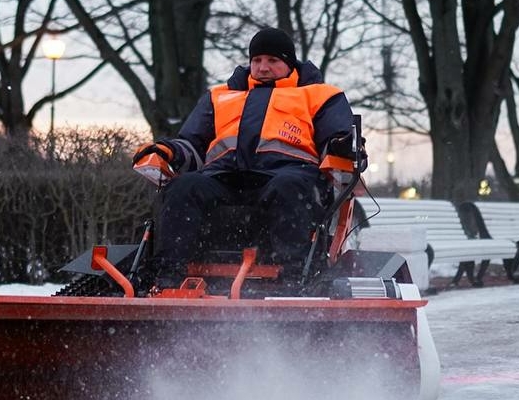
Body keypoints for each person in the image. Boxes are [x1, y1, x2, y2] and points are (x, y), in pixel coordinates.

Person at [132, 27, 362, 283]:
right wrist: (169, 151)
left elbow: (337, 137)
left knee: (289, 186)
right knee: (183, 187)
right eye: (257, 60)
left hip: (289, 175)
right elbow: (192, 144)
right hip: (224, 177)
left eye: (272, 61)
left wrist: (343, 145)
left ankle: (294, 278)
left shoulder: (320, 95)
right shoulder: (219, 96)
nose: (263, 67)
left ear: (289, 63)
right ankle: (167, 279)